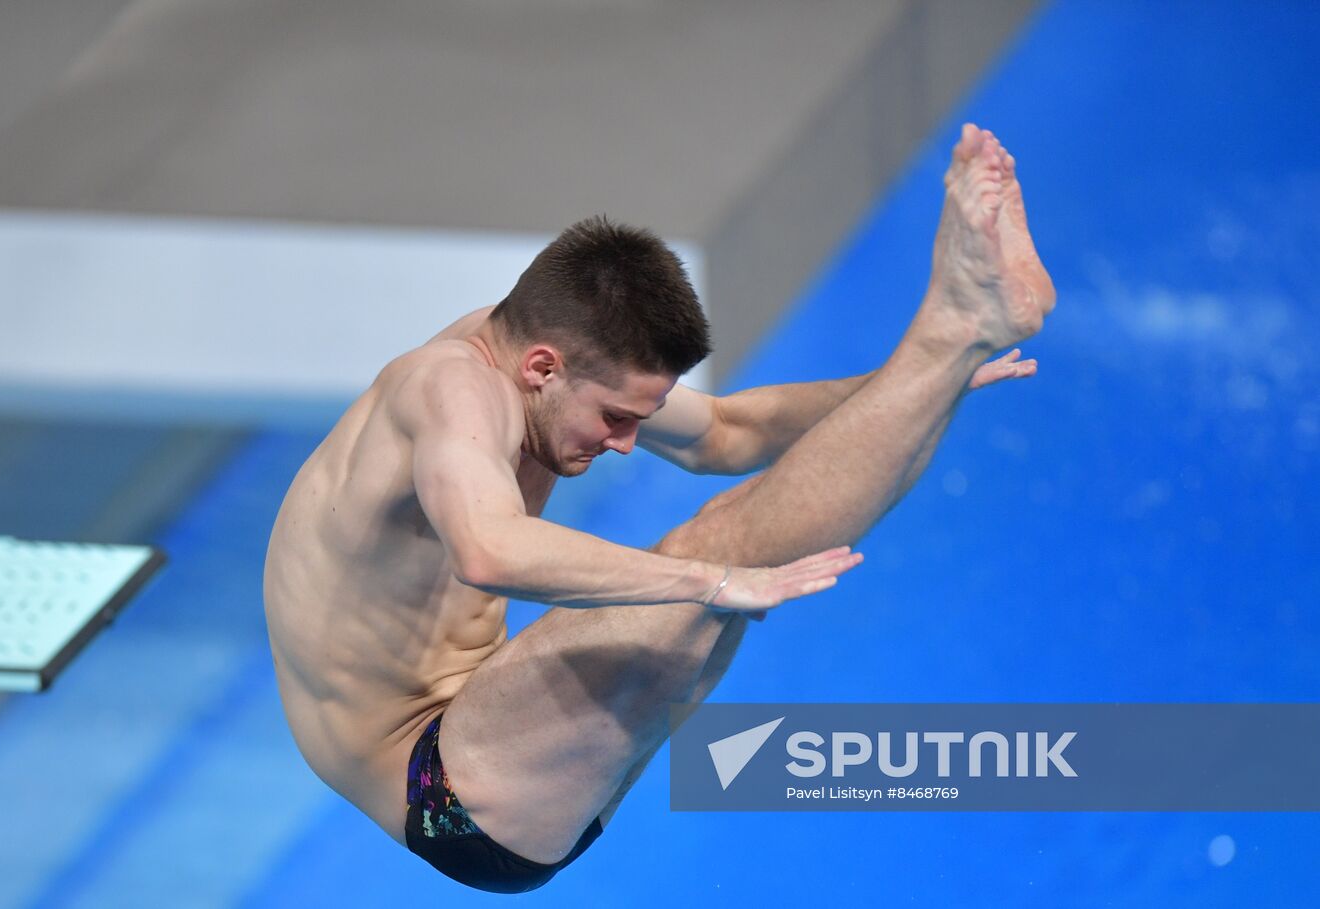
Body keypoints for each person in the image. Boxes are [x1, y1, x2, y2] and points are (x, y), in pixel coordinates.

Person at [264, 123, 1053, 893]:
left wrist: (901, 392)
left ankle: (950, 347)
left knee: (724, 558)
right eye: (614, 417)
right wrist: (708, 580)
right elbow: (489, 549)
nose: (626, 443)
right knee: (713, 555)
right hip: (439, 786)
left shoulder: (547, 369)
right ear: (544, 365)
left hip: (493, 729)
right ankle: (952, 327)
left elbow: (727, 432)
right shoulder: (450, 389)